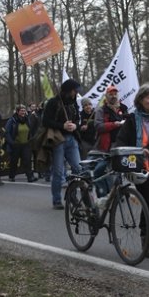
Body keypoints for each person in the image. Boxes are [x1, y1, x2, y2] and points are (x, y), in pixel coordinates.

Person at [115, 84, 149, 258]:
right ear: (140, 100)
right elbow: (121, 140)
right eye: (148, 97)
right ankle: (145, 238)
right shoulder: (132, 119)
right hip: (139, 167)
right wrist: (118, 152)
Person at [42, 79, 83, 209]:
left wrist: (75, 125)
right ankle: (57, 200)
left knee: (78, 169)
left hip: (72, 139)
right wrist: (62, 126)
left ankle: (72, 195)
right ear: (68, 90)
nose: (76, 93)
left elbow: (78, 119)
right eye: (74, 90)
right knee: (58, 172)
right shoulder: (53, 103)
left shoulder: (74, 103)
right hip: (58, 140)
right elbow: (45, 121)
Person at [5, 104, 37, 182]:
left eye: (24, 110)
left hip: (26, 144)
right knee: (14, 161)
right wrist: (12, 142)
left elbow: (30, 130)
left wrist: (31, 139)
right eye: (21, 111)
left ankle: (30, 177)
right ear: (17, 111)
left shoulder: (27, 120)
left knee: (27, 160)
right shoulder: (12, 120)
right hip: (16, 144)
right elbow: (7, 132)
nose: (23, 112)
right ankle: (12, 176)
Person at [94, 85, 128, 152]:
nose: (114, 96)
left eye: (115, 94)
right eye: (111, 94)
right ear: (106, 96)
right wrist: (114, 124)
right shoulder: (101, 110)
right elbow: (98, 126)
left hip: (123, 143)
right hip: (108, 145)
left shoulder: (124, 108)